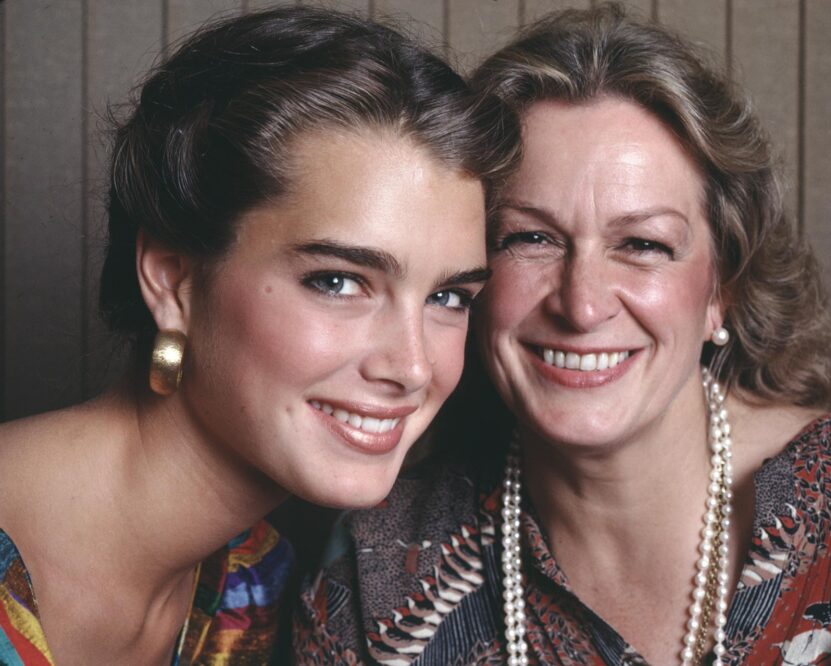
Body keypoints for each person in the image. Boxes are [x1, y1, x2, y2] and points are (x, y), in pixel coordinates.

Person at [296, 4, 831, 665]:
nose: (583, 303)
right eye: (531, 237)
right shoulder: (375, 568)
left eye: (643, 244)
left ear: (720, 288)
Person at [0, 6, 517, 664]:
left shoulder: (254, 586)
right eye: (338, 282)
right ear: (173, 281)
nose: (413, 367)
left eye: (449, 297)